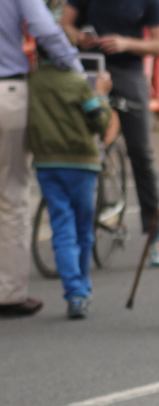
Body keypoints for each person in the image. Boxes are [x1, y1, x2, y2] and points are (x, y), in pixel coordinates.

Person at [61, 0, 159, 267]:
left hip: (128, 73)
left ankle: (156, 235)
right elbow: (63, 24)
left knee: (141, 154)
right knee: (78, 146)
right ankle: (81, 226)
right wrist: (78, 37)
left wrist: (126, 43)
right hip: (90, 70)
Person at [0, 0, 82, 318]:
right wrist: (78, 72)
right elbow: (46, 30)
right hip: (7, 93)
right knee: (11, 193)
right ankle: (10, 291)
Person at [27, 56, 118, 318]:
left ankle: (74, 292)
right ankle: (82, 288)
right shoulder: (77, 83)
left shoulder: (33, 82)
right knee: (83, 230)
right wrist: (101, 95)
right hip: (81, 163)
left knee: (61, 228)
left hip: (47, 162)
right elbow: (100, 121)